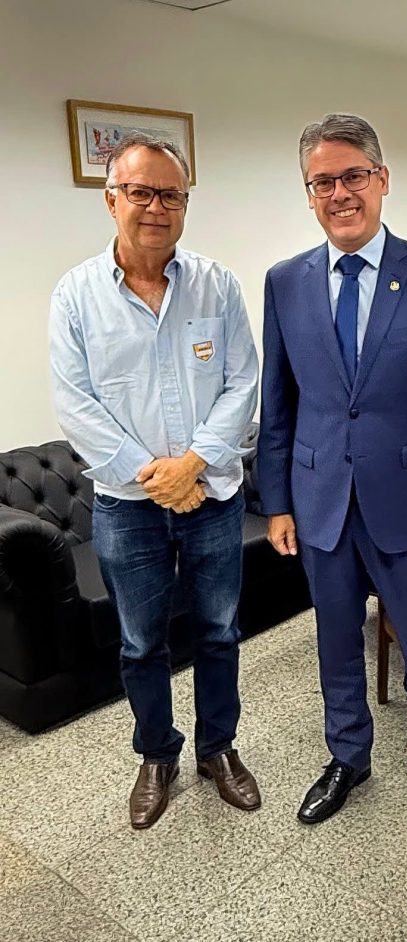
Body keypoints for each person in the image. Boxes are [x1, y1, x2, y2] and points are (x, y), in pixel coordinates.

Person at [257, 114, 407, 851]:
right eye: (322, 181)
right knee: (334, 642)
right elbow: (278, 402)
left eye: (353, 175)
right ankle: (348, 757)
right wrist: (277, 502)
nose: (340, 193)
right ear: (309, 194)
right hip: (320, 500)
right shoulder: (285, 282)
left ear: (382, 180)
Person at [49, 134, 261, 830]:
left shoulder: (217, 285)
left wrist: (192, 464)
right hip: (126, 507)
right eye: (141, 192)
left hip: (212, 500)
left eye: (171, 194)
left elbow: (243, 383)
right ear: (111, 200)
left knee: (220, 632)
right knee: (141, 644)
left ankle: (217, 748)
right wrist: (159, 478)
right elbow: (77, 406)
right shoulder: (76, 296)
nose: (156, 207)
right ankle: (156, 755)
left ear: (185, 204)